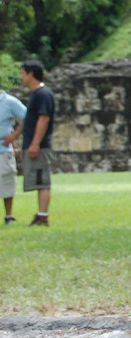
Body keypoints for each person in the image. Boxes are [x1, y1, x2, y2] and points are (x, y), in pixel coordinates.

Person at [20, 61, 55, 227]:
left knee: (42, 181)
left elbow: (43, 119)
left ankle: (43, 216)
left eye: (23, 73)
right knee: (38, 180)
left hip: (39, 146)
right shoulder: (36, 94)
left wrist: (35, 144)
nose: (21, 77)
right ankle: (40, 214)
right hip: (33, 144)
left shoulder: (42, 94)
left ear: (31, 74)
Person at [1, 85, 27, 224]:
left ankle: (8, 215)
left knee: (7, 181)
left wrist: (14, 136)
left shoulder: (10, 102)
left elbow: (29, 117)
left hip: (3, 151)